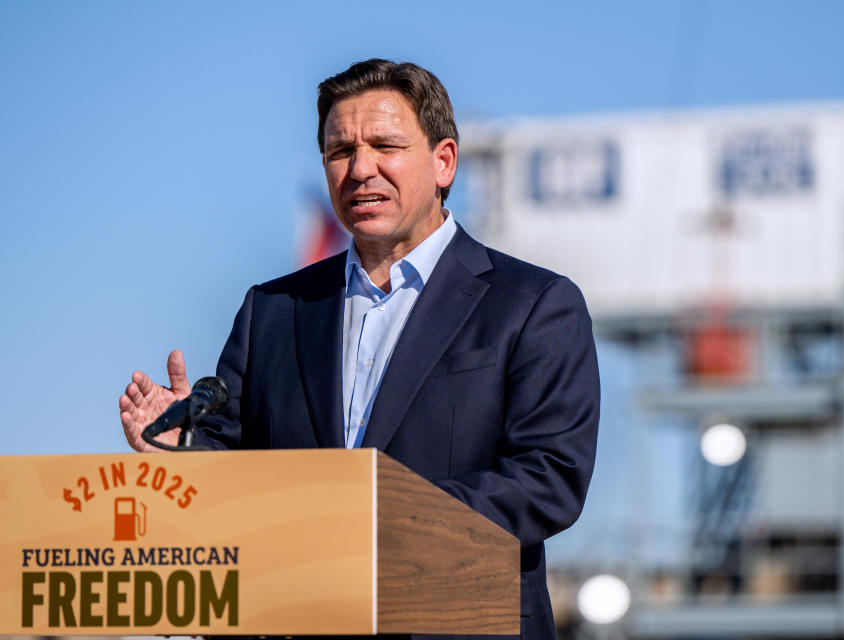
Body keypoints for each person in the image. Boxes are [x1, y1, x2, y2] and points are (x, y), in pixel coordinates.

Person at [119, 59, 600, 640]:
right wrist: (184, 456)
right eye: (339, 152)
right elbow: (235, 470)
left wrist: (368, 518)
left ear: (444, 160)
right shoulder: (272, 310)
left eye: (385, 145)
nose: (360, 169)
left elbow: (548, 477)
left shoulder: (534, 304)